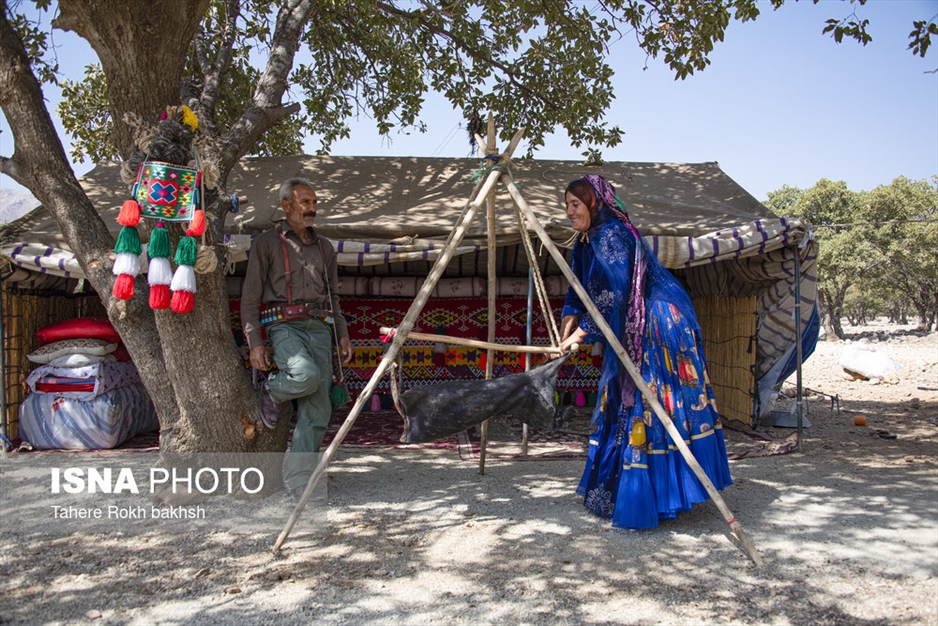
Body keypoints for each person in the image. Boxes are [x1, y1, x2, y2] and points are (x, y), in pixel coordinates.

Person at [557, 174, 732, 529]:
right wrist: (566, 329)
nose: (569, 213)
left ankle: (661, 494)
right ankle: (624, 488)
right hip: (626, 323)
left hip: (655, 323)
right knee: (623, 402)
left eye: (575, 205)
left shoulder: (613, 236)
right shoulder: (585, 243)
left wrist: (583, 334)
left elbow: (617, 294)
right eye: (566, 206)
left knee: (648, 401)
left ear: (593, 202)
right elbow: (578, 292)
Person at [240, 177, 353, 498]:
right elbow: (249, 297)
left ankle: (299, 478)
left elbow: (333, 296)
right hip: (282, 326)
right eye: (305, 202)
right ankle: (272, 391)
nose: (312, 208)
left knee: (319, 409)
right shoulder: (265, 243)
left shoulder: (324, 247)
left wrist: (342, 333)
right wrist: (254, 342)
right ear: (286, 205)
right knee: (305, 375)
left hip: (320, 327)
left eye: (314, 203)